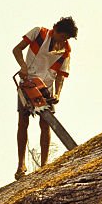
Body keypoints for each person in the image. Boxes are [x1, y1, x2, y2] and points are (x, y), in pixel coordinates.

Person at [12, 17, 78, 179]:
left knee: (46, 123)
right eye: (62, 36)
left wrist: (57, 94)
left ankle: (44, 165)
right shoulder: (38, 33)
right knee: (23, 121)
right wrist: (23, 66)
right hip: (28, 82)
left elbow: (60, 76)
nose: (64, 40)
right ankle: (21, 165)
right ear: (55, 30)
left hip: (46, 88)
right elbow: (17, 50)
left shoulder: (65, 51)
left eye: (67, 38)